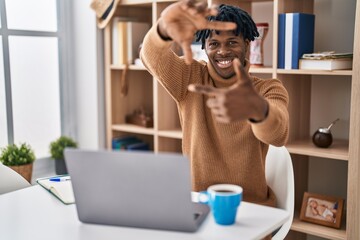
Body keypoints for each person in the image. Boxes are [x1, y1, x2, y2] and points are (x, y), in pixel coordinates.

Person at [140, 0, 289, 208]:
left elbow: (278, 134)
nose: (223, 51)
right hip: (199, 205)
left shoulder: (268, 89)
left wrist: (257, 109)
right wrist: (163, 28)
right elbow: (152, 57)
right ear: (204, 47)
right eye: (214, 44)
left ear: (247, 45)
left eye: (232, 42)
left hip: (252, 209)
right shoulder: (190, 77)